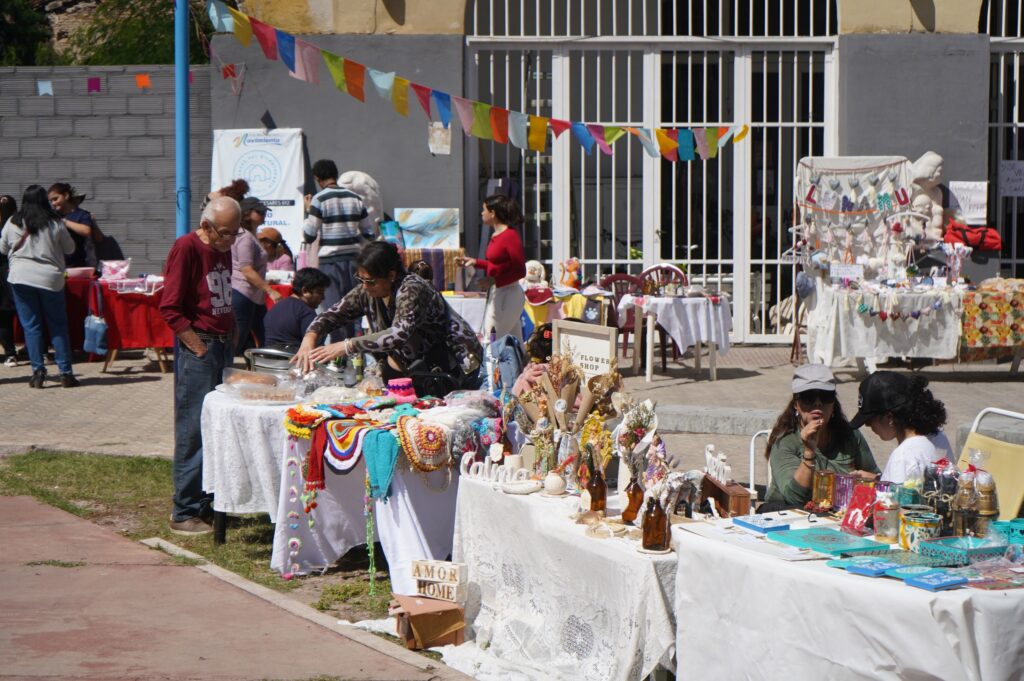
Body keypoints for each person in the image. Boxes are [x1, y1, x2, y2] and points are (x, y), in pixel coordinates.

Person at [292, 241, 482, 388]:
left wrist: (348, 345)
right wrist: (310, 337)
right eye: (361, 279)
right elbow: (332, 315)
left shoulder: (412, 288)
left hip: (451, 365)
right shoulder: (366, 291)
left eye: (371, 281)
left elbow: (398, 334)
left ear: (391, 275)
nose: (365, 286)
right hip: (417, 368)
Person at [159, 196, 239, 535]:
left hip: (222, 344)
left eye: (236, 232)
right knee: (193, 430)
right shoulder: (187, 248)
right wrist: (199, 348)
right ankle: (184, 510)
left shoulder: (223, 247)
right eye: (225, 233)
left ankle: (208, 502)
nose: (231, 240)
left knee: (217, 427)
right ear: (206, 226)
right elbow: (170, 308)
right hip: (202, 348)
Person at [763, 364, 879, 508]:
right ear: (796, 404)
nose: (817, 403)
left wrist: (871, 480)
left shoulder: (850, 435)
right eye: (808, 397)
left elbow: (875, 476)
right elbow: (794, 498)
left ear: (833, 403)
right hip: (786, 513)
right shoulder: (785, 441)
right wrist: (809, 452)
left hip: (836, 512)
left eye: (825, 396)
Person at [0, 186, 78, 388]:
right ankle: (66, 373)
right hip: (50, 279)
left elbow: (3, 248)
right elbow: (70, 248)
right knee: (58, 326)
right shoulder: (55, 222)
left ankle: (38, 373)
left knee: (31, 327)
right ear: (44, 200)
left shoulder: (13, 221)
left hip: (21, 278)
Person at [302, 159, 372, 343]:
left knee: (334, 310)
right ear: (335, 174)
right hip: (354, 261)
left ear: (317, 178)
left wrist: (308, 211)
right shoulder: (355, 198)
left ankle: (339, 353)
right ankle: (355, 349)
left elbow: (309, 235)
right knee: (355, 308)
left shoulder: (319, 199)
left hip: (330, 262)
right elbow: (368, 233)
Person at [849, 371, 952, 484]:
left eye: (869, 420)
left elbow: (896, 495)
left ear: (889, 417)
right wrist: (879, 479)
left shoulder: (903, 456)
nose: (867, 425)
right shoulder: (938, 436)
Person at [457, 194, 527, 342]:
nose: (482, 213)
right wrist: (475, 262)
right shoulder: (497, 235)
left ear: (493, 213)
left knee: (491, 339)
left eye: (484, 210)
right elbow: (499, 266)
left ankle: (491, 359)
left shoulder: (509, 235)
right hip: (500, 293)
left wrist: (494, 280)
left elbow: (520, 270)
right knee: (514, 343)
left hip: (508, 295)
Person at [231, 197, 282, 355]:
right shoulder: (245, 237)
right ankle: (223, 367)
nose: (263, 214)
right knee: (239, 340)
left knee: (259, 338)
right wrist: (270, 290)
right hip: (243, 293)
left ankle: (256, 366)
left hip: (252, 296)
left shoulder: (249, 235)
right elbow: (246, 269)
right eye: (259, 212)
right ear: (246, 214)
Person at [264, 267, 328, 352]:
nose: (323, 298)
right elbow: (316, 348)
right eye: (319, 293)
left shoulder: (275, 307)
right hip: (292, 358)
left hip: (267, 356)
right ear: (305, 290)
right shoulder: (306, 312)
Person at [48, 183, 96, 269]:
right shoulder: (51, 215)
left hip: (77, 265)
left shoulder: (82, 214)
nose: (53, 203)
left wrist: (64, 222)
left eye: (55, 199)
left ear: (66, 196)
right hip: (56, 265)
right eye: (51, 201)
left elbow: (86, 231)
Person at [0, 195, 20, 366]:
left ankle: (10, 354)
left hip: (3, 277)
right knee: (30, 315)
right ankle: (41, 352)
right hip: (19, 274)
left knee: (4, 316)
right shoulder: (20, 224)